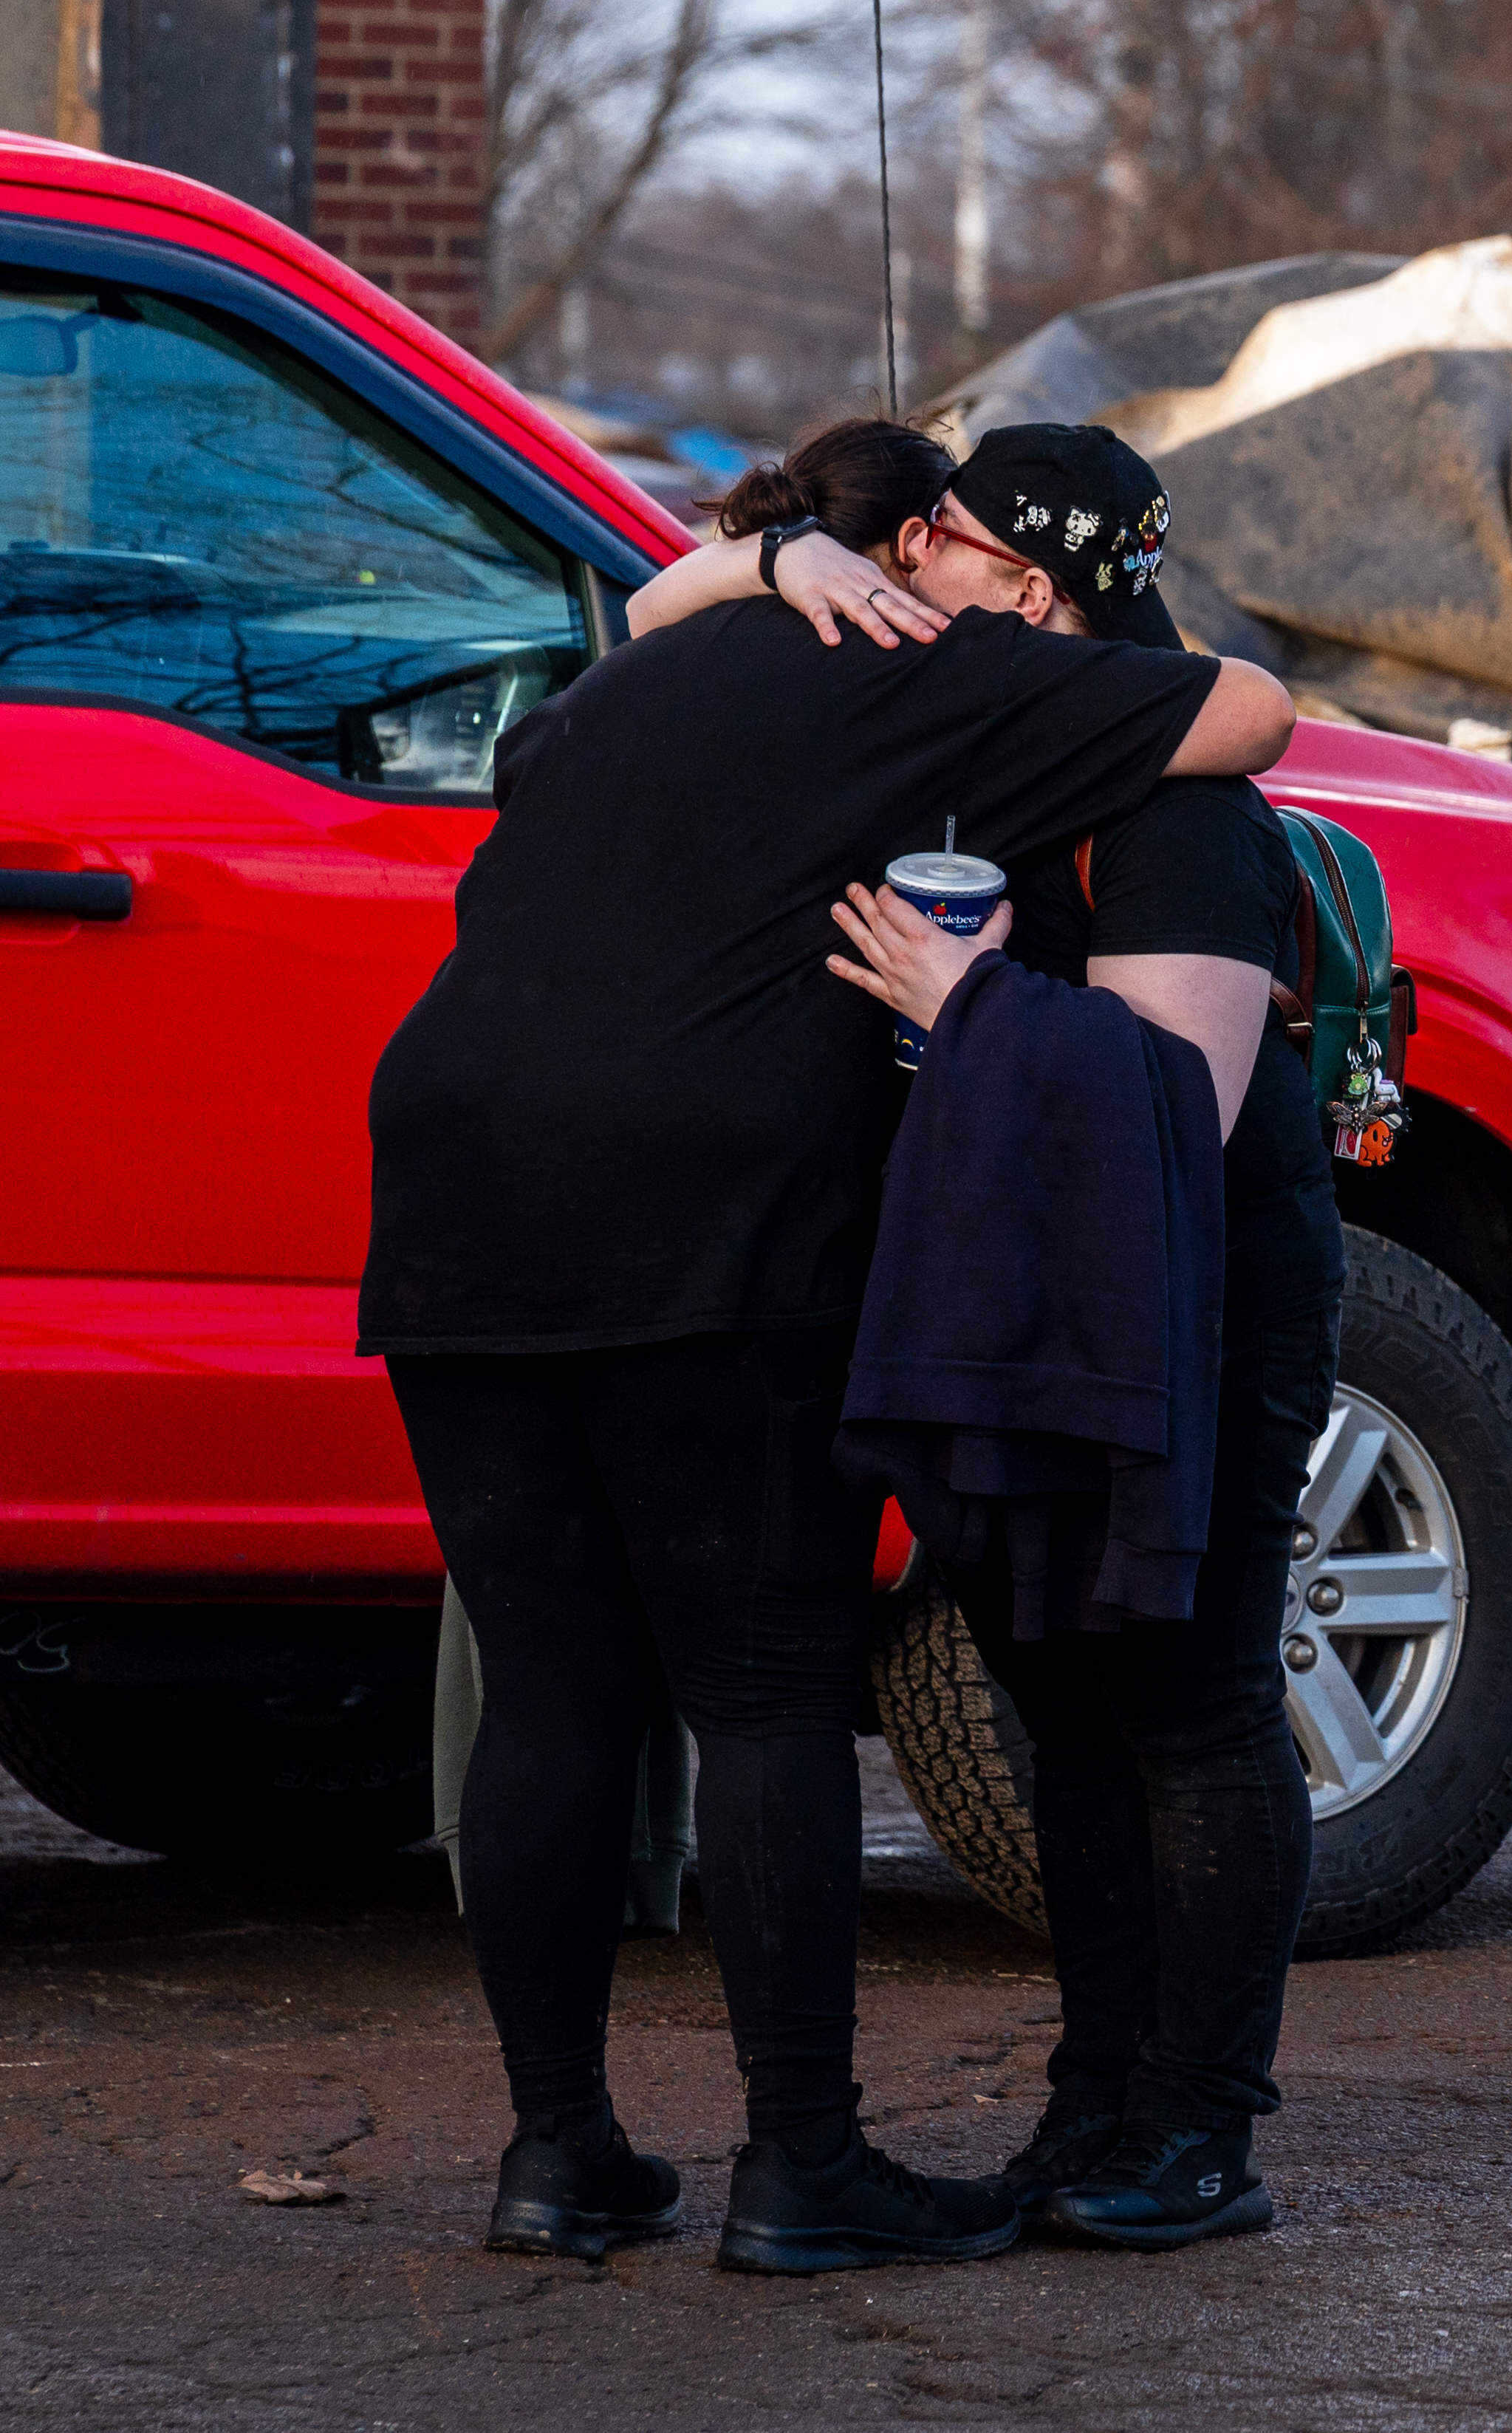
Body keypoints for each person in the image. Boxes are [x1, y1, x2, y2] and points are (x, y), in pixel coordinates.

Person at [361, 415, 1297, 2274]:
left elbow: (623, 654)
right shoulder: (922, 681)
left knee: (554, 1688)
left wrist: (758, 565)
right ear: (912, 571)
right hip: (704, 1214)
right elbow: (1254, 704)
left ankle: (561, 2156)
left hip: (455, 1183)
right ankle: (805, 2167)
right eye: (919, 541)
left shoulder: (655, 679)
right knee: (769, 1686)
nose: (924, 578)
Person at [810, 425, 1338, 2252]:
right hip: (1025, 1289)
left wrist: (973, 1000)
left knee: (1186, 1702)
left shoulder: (1179, 802)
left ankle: (1204, 2124)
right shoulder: (988, 747)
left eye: (932, 540)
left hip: (1195, 1292)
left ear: (1031, 587)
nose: (903, 556)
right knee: (1061, 1698)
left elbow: (1172, 1112)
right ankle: (1094, 2094)